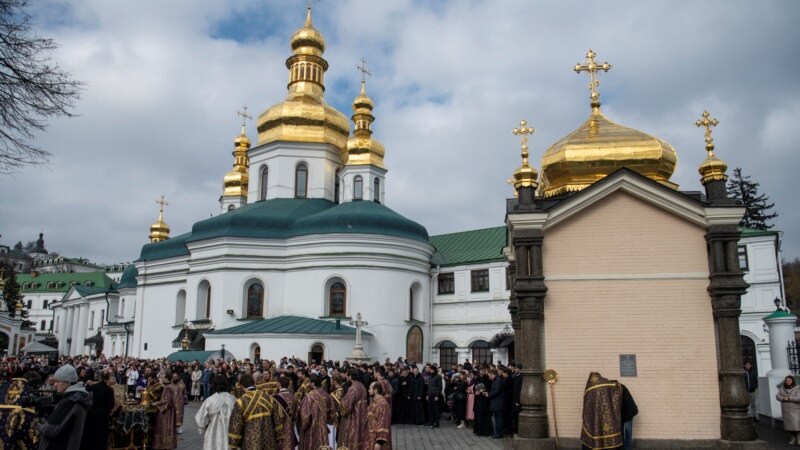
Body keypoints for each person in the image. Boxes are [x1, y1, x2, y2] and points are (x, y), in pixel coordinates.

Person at [37, 364, 92, 450]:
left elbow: (50, 431)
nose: (55, 385)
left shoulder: (69, 401)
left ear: (68, 382)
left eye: (58, 381)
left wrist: (38, 425)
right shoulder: (78, 397)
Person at [228, 372, 284, 450]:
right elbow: (277, 418)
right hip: (269, 438)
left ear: (242, 386)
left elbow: (236, 424)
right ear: (254, 383)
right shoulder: (268, 397)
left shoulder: (241, 402)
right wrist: (279, 436)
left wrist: (233, 444)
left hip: (251, 441)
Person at [580, 372, 623, 449]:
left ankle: (596, 445)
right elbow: (616, 387)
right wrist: (616, 383)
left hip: (595, 416)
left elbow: (587, 407)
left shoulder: (588, 389)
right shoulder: (606, 384)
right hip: (607, 414)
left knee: (596, 429)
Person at [195, 374, 236, 450]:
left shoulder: (210, 400)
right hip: (231, 433)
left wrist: (203, 429)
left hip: (213, 433)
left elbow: (201, 419)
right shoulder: (233, 399)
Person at [81, 369, 116, 450]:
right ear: (108, 378)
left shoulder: (92, 387)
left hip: (90, 414)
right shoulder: (109, 390)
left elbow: (86, 400)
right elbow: (111, 405)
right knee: (100, 437)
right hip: (102, 416)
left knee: (90, 435)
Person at [298, 374, 335, 450]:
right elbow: (332, 415)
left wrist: (303, 426)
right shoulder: (327, 396)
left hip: (311, 429)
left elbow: (305, 417)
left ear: (313, 383)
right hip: (323, 429)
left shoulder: (308, 397)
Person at [338, 368, 368, 450]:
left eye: (347, 376)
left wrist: (341, 400)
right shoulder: (362, 386)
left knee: (352, 436)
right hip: (361, 416)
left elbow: (347, 406)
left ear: (350, 376)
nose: (347, 378)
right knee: (360, 435)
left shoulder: (352, 388)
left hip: (353, 417)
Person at [152, 371, 180, 449]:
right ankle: (168, 444)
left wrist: (157, 403)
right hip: (171, 410)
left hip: (166, 411)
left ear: (167, 379)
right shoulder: (171, 386)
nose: (161, 379)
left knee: (165, 427)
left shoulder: (168, 387)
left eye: (163, 377)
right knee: (169, 427)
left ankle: (165, 444)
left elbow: (167, 400)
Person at [273, 376, 298, 450]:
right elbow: (296, 414)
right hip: (290, 427)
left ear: (279, 384)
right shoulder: (294, 397)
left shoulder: (275, 398)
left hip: (279, 429)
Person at [367, 382, 392, 450]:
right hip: (371, 438)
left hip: (379, 441)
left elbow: (384, 424)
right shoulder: (374, 402)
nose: (368, 390)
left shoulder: (383, 405)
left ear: (375, 390)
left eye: (370, 388)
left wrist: (379, 442)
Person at [777, 375, 800, 445]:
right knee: (789, 426)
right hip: (786, 410)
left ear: (792, 381)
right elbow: (777, 396)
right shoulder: (782, 388)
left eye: (789, 380)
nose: (788, 381)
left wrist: (789, 398)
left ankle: (799, 438)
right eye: (786, 380)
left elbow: (798, 398)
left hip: (795, 410)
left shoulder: (797, 388)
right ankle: (793, 438)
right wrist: (783, 398)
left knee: (796, 424)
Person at [486, 368, 505, 439]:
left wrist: (489, 394)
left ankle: (498, 433)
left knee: (499, 419)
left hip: (498, 403)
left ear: (492, 374)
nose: (489, 377)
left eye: (489, 376)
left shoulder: (498, 380)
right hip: (496, 403)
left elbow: (497, 391)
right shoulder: (496, 380)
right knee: (497, 419)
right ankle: (498, 433)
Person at [620, 384, 638, 450]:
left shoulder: (621, 389)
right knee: (620, 430)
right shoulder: (619, 388)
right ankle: (622, 446)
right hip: (622, 413)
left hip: (628, 412)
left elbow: (627, 405)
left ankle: (628, 447)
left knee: (628, 430)